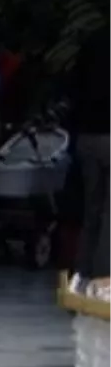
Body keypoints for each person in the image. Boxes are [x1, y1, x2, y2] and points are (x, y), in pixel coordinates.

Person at [71, 24, 111, 295]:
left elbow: (73, 85)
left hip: (87, 135)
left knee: (92, 211)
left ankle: (82, 274)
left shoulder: (94, 38)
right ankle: (104, 277)